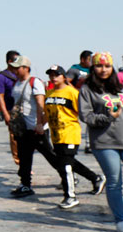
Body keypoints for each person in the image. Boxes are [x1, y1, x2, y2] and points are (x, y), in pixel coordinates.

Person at [45, 65, 105, 209]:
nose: (53, 77)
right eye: (51, 75)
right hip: (56, 135)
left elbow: (83, 113)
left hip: (70, 133)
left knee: (65, 166)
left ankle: (70, 196)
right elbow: (46, 113)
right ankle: (95, 178)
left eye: (57, 74)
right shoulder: (49, 93)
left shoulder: (72, 93)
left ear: (64, 76)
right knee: (67, 162)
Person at [80, 52, 123, 231]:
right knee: (115, 181)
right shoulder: (87, 89)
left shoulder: (119, 86)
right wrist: (107, 117)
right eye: (99, 65)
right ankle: (120, 219)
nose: (103, 69)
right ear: (93, 67)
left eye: (107, 66)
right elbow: (86, 116)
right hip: (105, 142)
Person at [9, 56, 62, 198]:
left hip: (36, 129)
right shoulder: (17, 83)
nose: (15, 70)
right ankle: (25, 185)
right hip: (23, 129)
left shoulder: (35, 82)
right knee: (24, 158)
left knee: (51, 156)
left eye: (17, 67)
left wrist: (40, 123)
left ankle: (72, 175)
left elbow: (40, 104)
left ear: (26, 68)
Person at [0, 50, 20, 165]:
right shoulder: (2, 77)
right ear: (9, 61)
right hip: (11, 110)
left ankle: (25, 160)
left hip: (23, 110)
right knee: (14, 137)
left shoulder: (20, 74)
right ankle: (18, 160)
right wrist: (5, 113)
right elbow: (0, 96)